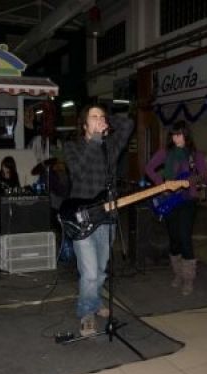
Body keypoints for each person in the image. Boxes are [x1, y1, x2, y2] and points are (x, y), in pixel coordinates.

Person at [64, 104, 133, 336]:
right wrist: (94, 138)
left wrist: (107, 118)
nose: (98, 120)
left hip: (106, 217)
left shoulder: (110, 147)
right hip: (81, 217)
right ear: (84, 124)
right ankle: (86, 312)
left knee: (101, 270)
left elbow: (128, 124)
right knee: (90, 273)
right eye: (93, 117)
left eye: (100, 117)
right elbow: (78, 171)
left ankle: (94, 301)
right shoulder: (72, 147)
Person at [145, 120, 207, 296]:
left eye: (179, 134)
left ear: (186, 135)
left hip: (188, 200)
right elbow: (149, 168)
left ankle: (189, 278)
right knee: (174, 240)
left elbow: (204, 178)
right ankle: (178, 274)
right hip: (169, 199)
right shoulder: (165, 152)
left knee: (185, 237)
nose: (176, 138)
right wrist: (162, 184)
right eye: (174, 134)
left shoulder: (195, 155)